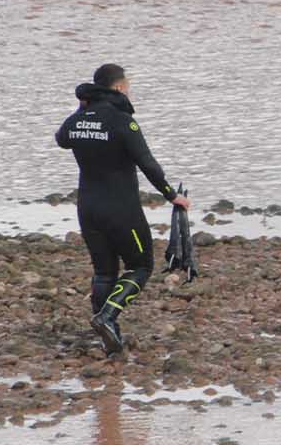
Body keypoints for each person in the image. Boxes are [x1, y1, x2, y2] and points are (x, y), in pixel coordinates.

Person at [55, 63, 190, 354]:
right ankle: (107, 316)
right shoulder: (121, 120)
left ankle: (109, 331)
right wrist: (171, 196)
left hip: (88, 208)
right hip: (121, 209)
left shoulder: (78, 120)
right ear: (118, 88)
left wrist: (82, 109)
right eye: (127, 85)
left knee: (104, 272)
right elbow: (147, 163)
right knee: (140, 266)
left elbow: (61, 138)